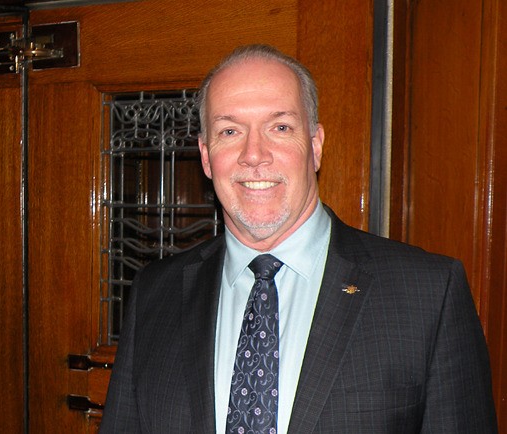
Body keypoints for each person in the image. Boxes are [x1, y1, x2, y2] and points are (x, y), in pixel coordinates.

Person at [99, 44, 497, 433]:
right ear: (206, 155)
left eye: (280, 127)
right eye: (230, 130)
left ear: (315, 145)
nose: (254, 154)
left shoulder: (427, 295)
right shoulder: (156, 293)